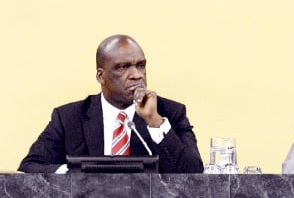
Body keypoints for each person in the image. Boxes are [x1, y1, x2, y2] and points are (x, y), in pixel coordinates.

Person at [18, 35, 203, 174]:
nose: (137, 75)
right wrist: (73, 175)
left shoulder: (169, 112)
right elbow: (31, 166)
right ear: (101, 76)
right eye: (123, 67)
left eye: (141, 65)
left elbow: (193, 174)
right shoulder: (69, 117)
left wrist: (154, 122)